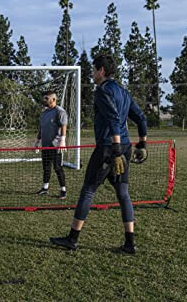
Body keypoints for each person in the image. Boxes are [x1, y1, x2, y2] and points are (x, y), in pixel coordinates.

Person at [50, 55, 147, 254]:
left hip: (109, 147)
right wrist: (142, 142)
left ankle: (72, 239)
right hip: (125, 147)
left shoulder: (102, 91)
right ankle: (130, 243)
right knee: (123, 194)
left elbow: (112, 118)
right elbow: (140, 117)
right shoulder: (124, 92)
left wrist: (116, 149)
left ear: (101, 71)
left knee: (88, 190)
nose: (92, 74)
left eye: (94, 70)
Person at [33, 91, 68, 199]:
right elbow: (41, 128)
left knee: (57, 168)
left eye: (46, 98)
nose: (44, 100)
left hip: (56, 145)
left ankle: (63, 190)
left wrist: (62, 140)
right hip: (45, 145)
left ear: (53, 99)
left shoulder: (60, 111)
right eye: (44, 98)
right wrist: (37, 141)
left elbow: (64, 125)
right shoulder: (44, 113)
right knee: (46, 167)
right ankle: (45, 188)